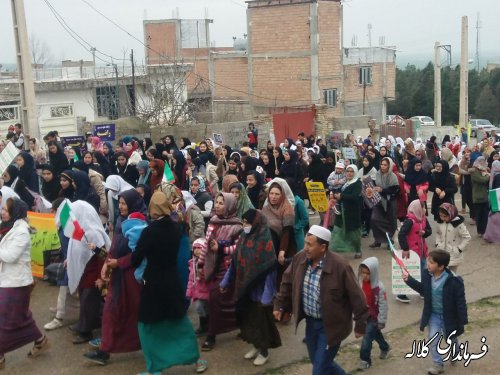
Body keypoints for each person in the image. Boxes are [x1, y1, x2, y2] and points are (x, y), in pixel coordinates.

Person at [274, 225, 369, 375]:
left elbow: (357, 297)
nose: (305, 248)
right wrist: (280, 305)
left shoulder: (340, 266)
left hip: (331, 327)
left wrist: (360, 324)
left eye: (310, 245)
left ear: (323, 247)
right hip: (311, 324)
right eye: (305, 243)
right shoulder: (300, 258)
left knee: (319, 370)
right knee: (319, 362)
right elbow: (287, 281)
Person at [132, 192, 208, 374]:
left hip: (153, 281)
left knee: (148, 325)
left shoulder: (149, 231)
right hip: (172, 280)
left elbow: (136, 259)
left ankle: (154, 367)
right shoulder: (176, 228)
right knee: (179, 322)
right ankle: (196, 360)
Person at [83, 189, 144, 365]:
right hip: (118, 275)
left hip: (132, 278)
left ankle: (147, 344)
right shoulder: (120, 221)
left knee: (134, 313)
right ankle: (104, 351)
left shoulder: (139, 223)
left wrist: (120, 262)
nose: (121, 207)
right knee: (111, 310)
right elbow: (115, 246)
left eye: (125, 203)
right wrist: (106, 261)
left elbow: (138, 253)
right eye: (120, 203)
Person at [219, 209, 281, 366]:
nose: (244, 225)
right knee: (248, 322)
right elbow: (234, 263)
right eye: (243, 221)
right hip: (244, 290)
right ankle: (255, 346)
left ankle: (264, 351)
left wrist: (267, 297)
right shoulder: (243, 237)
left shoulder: (265, 240)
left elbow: (270, 270)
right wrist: (225, 282)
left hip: (260, 295)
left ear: (256, 223)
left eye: (247, 222)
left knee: (262, 325)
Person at [0, 198, 50, 369]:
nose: (2, 212)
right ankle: (40, 340)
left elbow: (10, 256)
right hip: (8, 280)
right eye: (3, 209)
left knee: (5, 318)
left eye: (6, 210)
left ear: (15, 212)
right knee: (20, 317)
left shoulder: (21, 231)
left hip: (16, 283)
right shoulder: (9, 227)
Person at [402, 250, 468, 375]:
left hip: (449, 317)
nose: (427, 264)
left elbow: (460, 302)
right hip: (433, 316)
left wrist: (462, 319)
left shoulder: (454, 281)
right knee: (432, 339)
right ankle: (438, 364)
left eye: (431, 262)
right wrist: (408, 280)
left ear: (441, 266)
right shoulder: (428, 275)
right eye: (428, 261)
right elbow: (423, 290)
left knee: (451, 338)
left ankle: (455, 351)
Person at [60, 200, 110, 345]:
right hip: (83, 273)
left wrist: (102, 278)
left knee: (89, 302)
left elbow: (102, 256)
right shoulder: (79, 230)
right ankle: (86, 323)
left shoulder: (93, 232)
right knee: (85, 301)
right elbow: (74, 250)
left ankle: (85, 331)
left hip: (92, 275)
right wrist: (69, 260)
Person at [197, 192, 243, 351]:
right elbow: (206, 245)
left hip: (228, 269)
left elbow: (238, 249)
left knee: (219, 300)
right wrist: (201, 264)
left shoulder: (237, 226)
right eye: (216, 202)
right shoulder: (212, 222)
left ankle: (211, 335)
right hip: (212, 268)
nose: (217, 205)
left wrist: (222, 248)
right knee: (212, 301)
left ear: (230, 205)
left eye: (222, 203)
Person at [261, 179, 296, 284]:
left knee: (283, 274)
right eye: (271, 193)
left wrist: (282, 250)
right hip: (269, 246)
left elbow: (287, 230)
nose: (273, 197)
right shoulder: (266, 208)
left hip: (285, 245)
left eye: (277, 194)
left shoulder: (287, 208)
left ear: (282, 195)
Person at [396, 200, 432, 303]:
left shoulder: (423, 219)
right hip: (411, 253)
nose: (425, 209)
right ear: (417, 209)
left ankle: (422, 291)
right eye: (423, 207)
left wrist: (425, 233)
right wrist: (405, 249)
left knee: (424, 272)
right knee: (409, 272)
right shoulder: (410, 221)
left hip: (422, 251)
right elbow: (401, 234)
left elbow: (429, 230)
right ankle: (401, 293)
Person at [357, 257, 390, 371]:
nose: (365, 275)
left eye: (368, 273)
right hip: (364, 316)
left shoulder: (379, 288)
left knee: (367, 338)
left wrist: (381, 320)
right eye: (363, 273)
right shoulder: (360, 284)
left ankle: (365, 360)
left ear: (374, 273)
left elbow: (383, 305)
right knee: (375, 334)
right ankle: (385, 347)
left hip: (374, 318)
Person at [330, 164, 363, 258]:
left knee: (353, 233)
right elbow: (341, 192)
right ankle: (335, 250)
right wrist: (336, 196)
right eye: (347, 171)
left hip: (352, 212)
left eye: (351, 171)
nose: (349, 173)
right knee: (338, 230)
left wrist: (341, 196)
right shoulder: (346, 182)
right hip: (342, 211)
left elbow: (354, 196)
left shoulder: (357, 183)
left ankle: (357, 250)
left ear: (355, 172)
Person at [369, 158, 400, 248]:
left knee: (391, 221)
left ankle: (389, 240)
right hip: (379, 199)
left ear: (389, 166)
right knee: (374, 219)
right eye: (381, 164)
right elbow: (375, 185)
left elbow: (395, 190)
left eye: (385, 165)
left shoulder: (393, 176)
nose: (382, 166)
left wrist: (383, 190)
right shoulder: (377, 173)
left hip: (390, 200)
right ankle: (378, 240)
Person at [436, 203, 471, 274]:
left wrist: (459, 249)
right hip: (441, 253)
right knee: (442, 274)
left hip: (453, 255)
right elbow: (438, 234)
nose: (442, 218)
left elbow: (467, 237)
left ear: (451, 214)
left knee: (451, 275)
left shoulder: (458, 224)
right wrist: (438, 244)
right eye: (441, 216)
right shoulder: (440, 223)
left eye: (445, 216)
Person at [187, 238, 210, 336]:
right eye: (194, 248)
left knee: (206, 308)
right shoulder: (192, 263)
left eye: (199, 248)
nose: (196, 250)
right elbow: (191, 279)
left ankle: (206, 325)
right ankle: (203, 324)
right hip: (198, 291)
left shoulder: (208, 262)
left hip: (206, 290)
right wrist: (189, 291)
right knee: (199, 307)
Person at [470, 156, 490, 237]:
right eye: (483, 161)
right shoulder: (474, 171)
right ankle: (480, 231)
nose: (484, 163)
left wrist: (487, 173)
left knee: (485, 215)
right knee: (479, 215)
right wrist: (488, 176)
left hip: (484, 195)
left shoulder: (483, 170)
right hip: (478, 196)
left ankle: (484, 230)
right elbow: (482, 180)